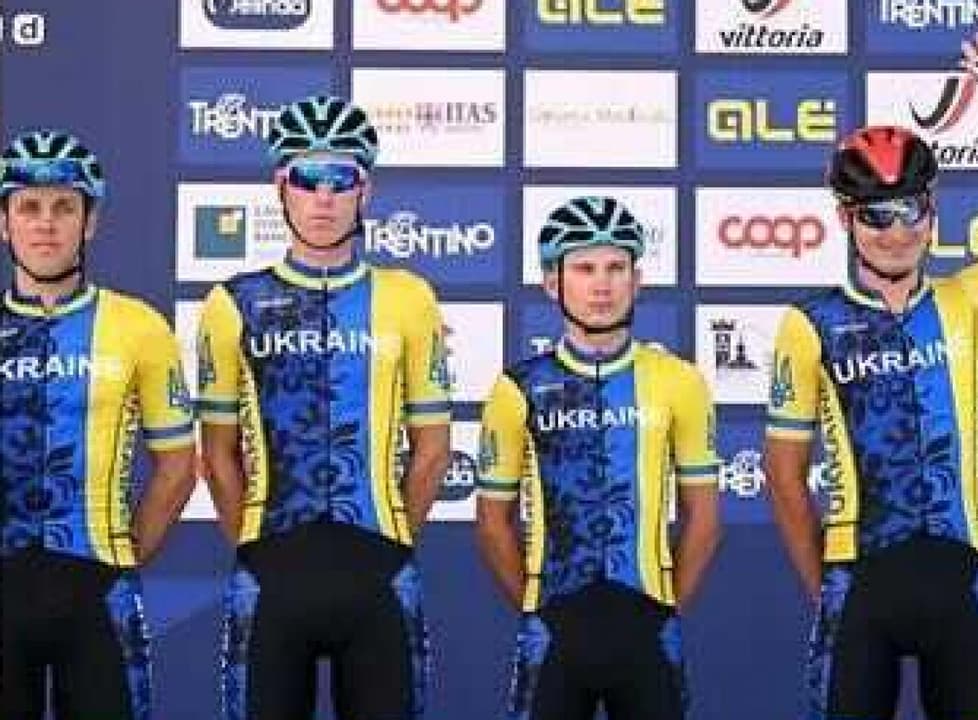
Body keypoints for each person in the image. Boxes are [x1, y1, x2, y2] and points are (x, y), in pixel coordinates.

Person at [763, 32, 978, 719]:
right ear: (845, 218)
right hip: (858, 581)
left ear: (933, 209)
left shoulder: (967, 299)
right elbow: (784, 475)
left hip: (960, 579)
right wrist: (828, 591)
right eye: (876, 215)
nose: (896, 232)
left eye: (911, 209)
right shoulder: (808, 323)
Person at [197, 95, 452, 720]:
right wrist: (254, 545)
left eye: (341, 179)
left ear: (366, 190)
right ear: (280, 187)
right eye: (306, 178)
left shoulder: (409, 298)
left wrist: (392, 540)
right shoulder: (232, 303)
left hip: (380, 570)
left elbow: (433, 450)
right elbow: (217, 454)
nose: (323, 198)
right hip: (270, 570)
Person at [475, 196, 722, 720]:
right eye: (584, 269)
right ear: (552, 283)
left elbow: (704, 518)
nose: (602, 285)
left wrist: (665, 610)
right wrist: (535, 609)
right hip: (553, 629)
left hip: (648, 628)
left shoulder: (679, 381)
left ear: (638, 280)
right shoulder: (517, 388)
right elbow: (493, 522)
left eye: (616, 268)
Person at [0, 129, 197, 719]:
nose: (46, 224)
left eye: (64, 207)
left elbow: (178, 466)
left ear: (89, 222)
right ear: (5, 223)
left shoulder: (139, 326)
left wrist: (123, 559)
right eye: (28, 208)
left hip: (97, 591)